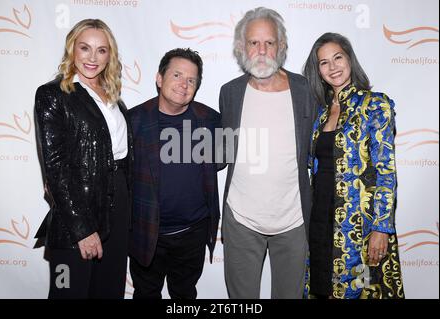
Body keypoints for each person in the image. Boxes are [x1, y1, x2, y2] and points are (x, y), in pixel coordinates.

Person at [218, 7, 316, 299]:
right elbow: (222, 149)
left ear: (281, 47)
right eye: (253, 43)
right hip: (241, 219)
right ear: (241, 48)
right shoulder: (230, 93)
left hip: (294, 220)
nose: (261, 51)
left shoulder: (306, 90)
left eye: (269, 43)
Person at [34, 19, 133, 299]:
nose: (93, 57)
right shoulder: (53, 94)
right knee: (69, 292)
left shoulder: (115, 98)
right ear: (72, 49)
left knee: (109, 290)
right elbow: (55, 167)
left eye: (101, 50)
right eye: (85, 48)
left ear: (109, 55)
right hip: (77, 207)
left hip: (119, 202)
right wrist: (82, 229)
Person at [302, 32, 405, 299]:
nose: (333, 67)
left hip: (360, 229)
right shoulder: (321, 113)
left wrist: (381, 228)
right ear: (318, 71)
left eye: (338, 57)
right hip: (320, 224)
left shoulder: (375, 105)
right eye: (324, 62)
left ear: (350, 59)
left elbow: (386, 172)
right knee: (321, 290)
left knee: (362, 291)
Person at [128, 48, 221, 299]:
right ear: (159, 78)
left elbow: (221, 162)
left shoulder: (211, 120)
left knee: (185, 295)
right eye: (177, 75)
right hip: (147, 233)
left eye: (191, 80)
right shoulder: (132, 121)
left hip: (193, 233)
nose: (184, 84)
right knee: (145, 294)